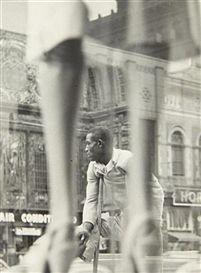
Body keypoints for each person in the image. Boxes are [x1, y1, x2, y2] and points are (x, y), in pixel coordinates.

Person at [77, 127, 164, 263]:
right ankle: (84, 258)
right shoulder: (93, 167)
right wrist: (86, 227)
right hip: (127, 212)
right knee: (93, 224)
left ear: (100, 144)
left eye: (88, 143)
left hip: (148, 206)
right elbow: (92, 200)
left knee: (147, 256)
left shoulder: (127, 160)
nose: (86, 149)